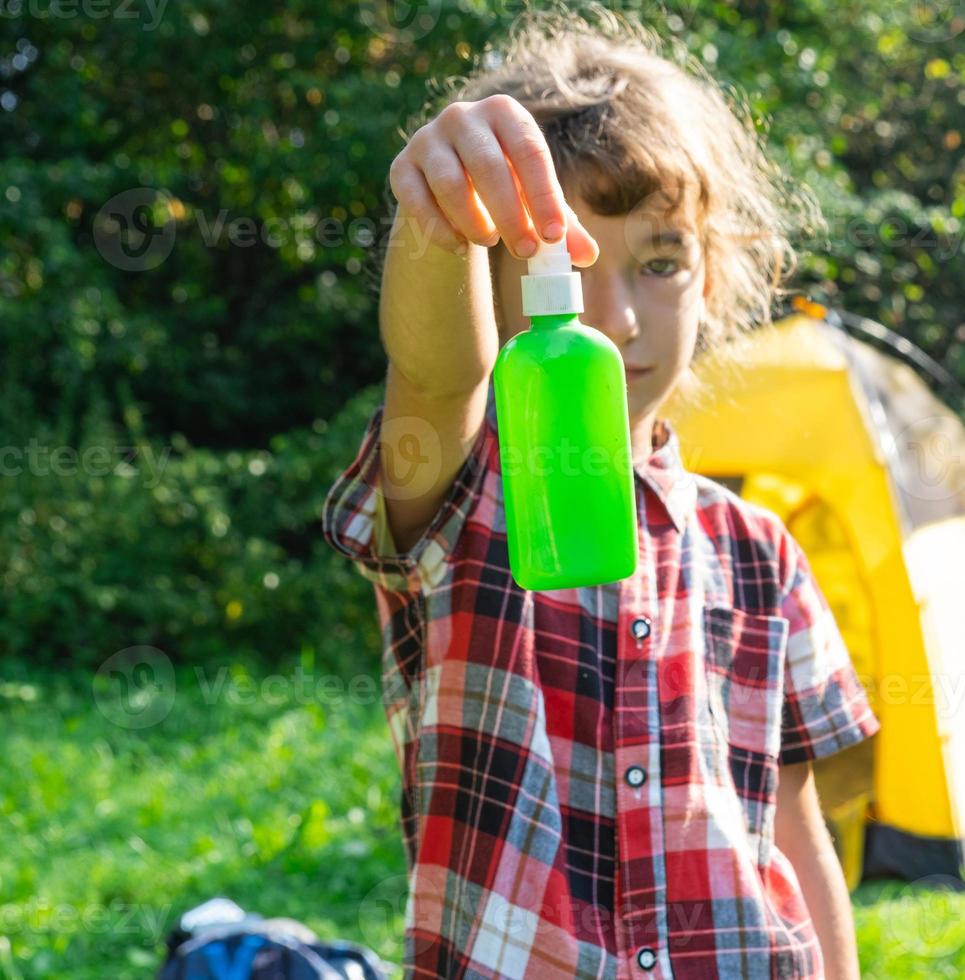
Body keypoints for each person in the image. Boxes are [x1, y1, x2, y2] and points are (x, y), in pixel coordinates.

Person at [321, 7, 879, 977]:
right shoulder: (463, 499)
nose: (617, 318)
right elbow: (436, 371)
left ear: (715, 277)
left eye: (661, 260)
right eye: (564, 268)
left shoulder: (759, 550)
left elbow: (791, 825)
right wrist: (437, 224)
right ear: (494, 289)